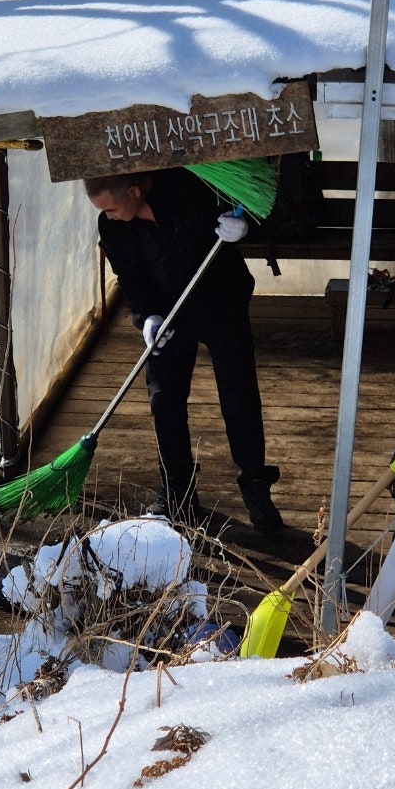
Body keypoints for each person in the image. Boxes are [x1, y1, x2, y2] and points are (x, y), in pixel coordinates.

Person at [84, 167, 283, 533]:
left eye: (110, 207)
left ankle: (256, 487)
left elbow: (257, 211)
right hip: (167, 317)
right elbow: (130, 277)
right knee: (164, 399)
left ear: (133, 193)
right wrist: (146, 318)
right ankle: (178, 489)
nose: (106, 216)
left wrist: (243, 230)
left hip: (221, 303)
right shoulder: (112, 227)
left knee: (238, 394)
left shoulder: (189, 189)